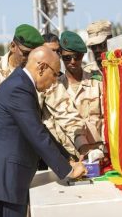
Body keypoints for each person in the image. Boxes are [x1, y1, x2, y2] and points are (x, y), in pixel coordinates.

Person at [0, 46, 87, 217]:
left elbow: (39, 128)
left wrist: (68, 159)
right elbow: (37, 135)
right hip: (6, 179)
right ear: (42, 67)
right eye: (56, 74)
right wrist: (68, 171)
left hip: (8, 177)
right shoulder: (19, 88)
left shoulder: (22, 83)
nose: (55, 81)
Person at [43, 31, 105, 160]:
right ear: (60, 56)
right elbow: (50, 124)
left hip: (99, 154)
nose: (72, 61)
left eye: (76, 57)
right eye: (67, 57)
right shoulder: (53, 87)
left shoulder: (97, 82)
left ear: (82, 55)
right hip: (68, 159)